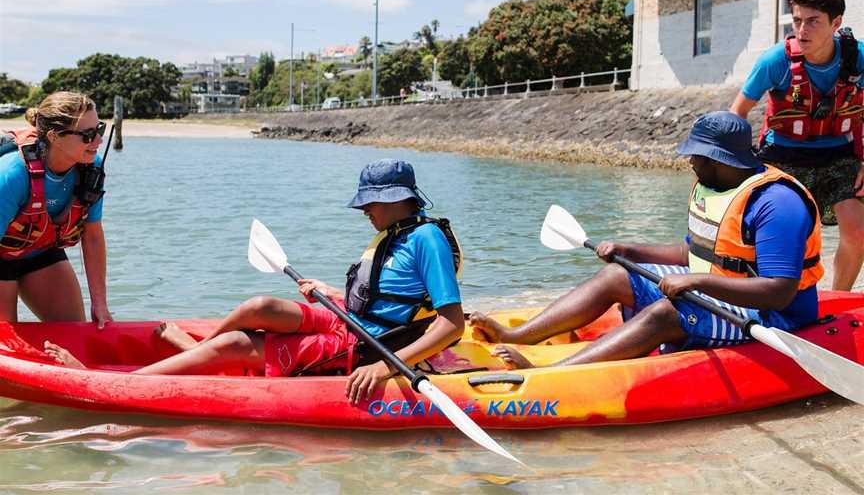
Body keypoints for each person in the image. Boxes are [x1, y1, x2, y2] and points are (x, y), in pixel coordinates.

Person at [45, 159, 465, 404]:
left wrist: (385, 367)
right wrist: (331, 293)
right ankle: (200, 353)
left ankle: (122, 383)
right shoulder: (394, 232)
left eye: (369, 203)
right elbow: (388, 296)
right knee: (260, 306)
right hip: (347, 321)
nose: (363, 212)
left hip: (367, 346)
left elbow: (451, 323)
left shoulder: (427, 238)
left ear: (394, 199)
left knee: (234, 344)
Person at [470, 111, 823, 369]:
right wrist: (631, 250)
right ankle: (518, 335)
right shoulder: (715, 187)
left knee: (667, 312)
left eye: (694, 154)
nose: (689, 160)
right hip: (720, 294)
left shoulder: (778, 204)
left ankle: (553, 375)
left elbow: (780, 292)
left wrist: (696, 282)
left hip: (774, 317)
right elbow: (693, 253)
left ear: (717, 158)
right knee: (617, 275)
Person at [730, 0, 864, 291]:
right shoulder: (774, 61)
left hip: (839, 156)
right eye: (797, 20)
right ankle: (763, 295)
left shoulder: (858, 59)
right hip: (782, 158)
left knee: (858, 233)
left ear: (836, 23)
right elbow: (736, 113)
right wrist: (743, 166)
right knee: (781, 236)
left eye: (813, 21)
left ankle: (837, 300)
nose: (802, 30)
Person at [0, 91, 111, 327]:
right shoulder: (12, 175)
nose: (98, 141)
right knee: (6, 341)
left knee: (74, 332)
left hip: (39, 252)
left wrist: (99, 303)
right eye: (88, 135)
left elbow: (92, 237)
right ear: (54, 136)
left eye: (99, 130)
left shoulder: (91, 168)